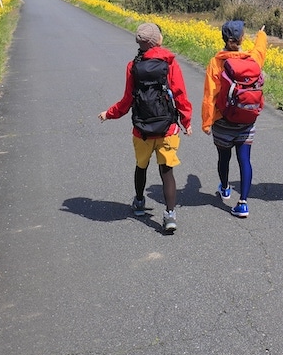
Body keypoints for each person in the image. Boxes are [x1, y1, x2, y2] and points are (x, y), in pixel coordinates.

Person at [99, 22, 192, 234]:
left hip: (141, 130)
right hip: (167, 128)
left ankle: (139, 202)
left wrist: (109, 114)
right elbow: (180, 95)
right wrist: (186, 121)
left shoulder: (133, 66)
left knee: (141, 166)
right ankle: (170, 215)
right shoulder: (169, 63)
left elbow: (126, 101)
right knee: (166, 171)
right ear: (158, 40)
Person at [202, 19, 268, 218]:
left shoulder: (216, 62)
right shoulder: (252, 59)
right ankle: (243, 203)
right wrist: (262, 34)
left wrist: (207, 121)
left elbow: (210, 94)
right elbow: (261, 48)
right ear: (241, 39)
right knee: (244, 159)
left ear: (223, 38)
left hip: (223, 120)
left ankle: (224, 188)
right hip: (247, 119)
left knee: (224, 157)